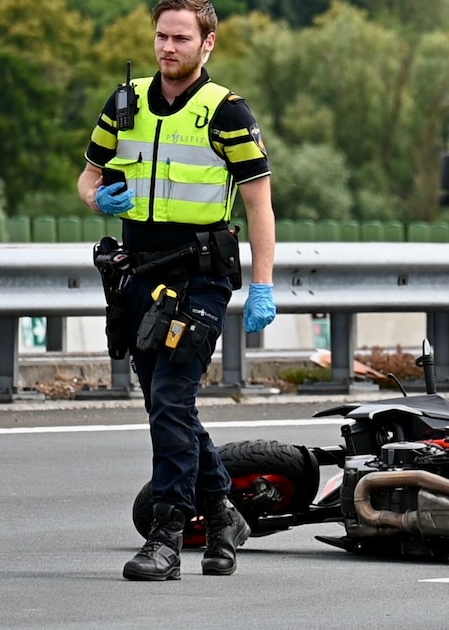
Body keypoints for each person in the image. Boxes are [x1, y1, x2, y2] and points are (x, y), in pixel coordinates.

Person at [76, 0, 277, 581]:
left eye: (181, 38)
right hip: (137, 274)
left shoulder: (227, 112)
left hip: (199, 275)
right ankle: (221, 515)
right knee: (170, 403)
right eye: (161, 36)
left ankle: (166, 536)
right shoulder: (125, 103)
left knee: (169, 398)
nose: (168, 47)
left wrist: (262, 285)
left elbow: (260, 206)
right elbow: (87, 176)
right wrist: (97, 199)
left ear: (206, 44)